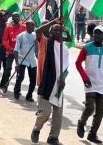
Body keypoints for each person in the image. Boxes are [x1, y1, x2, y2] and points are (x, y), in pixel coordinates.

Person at [31, 17, 68, 145]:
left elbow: (64, 67)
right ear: (50, 32)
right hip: (46, 82)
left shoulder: (63, 47)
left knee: (58, 114)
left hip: (58, 84)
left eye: (59, 31)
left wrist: (63, 79)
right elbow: (38, 32)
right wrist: (53, 22)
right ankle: (36, 129)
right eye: (55, 30)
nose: (57, 32)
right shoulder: (45, 42)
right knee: (45, 112)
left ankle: (53, 137)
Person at [75, 26, 103, 144]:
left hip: (101, 83)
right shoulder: (86, 47)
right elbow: (78, 63)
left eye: (99, 34)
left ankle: (92, 134)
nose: (96, 36)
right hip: (89, 82)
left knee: (100, 111)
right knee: (90, 107)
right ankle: (81, 122)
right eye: (95, 33)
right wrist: (85, 77)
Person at [0, 12, 26, 92]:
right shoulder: (8, 28)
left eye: (18, 16)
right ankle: (5, 85)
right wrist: (9, 47)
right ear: (12, 18)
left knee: (19, 70)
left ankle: (17, 89)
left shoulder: (23, 27)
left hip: (20, 53)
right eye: (15, 16)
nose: (17, 17)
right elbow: (4, 40)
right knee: (8, 68)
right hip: (11, 52)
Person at [13, 20, 38, 102]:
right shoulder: (21, 36)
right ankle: (16, 92)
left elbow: (38, 49)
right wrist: (17, 63)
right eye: (31, 25)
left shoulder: (36, 36)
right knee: (20, 77)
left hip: (32, 61)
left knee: (33, 79)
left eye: (34, 25)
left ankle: (29, 95)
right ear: (27, 26)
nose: (33, 27)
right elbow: (16, 50)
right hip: (22, 59)